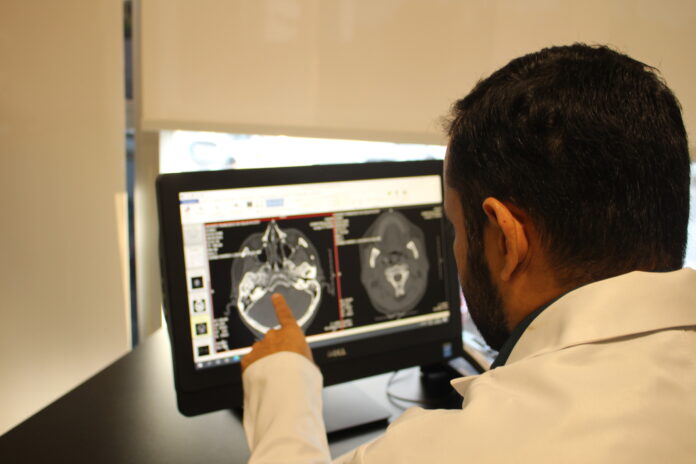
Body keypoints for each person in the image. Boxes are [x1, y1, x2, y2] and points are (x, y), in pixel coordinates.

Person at [240, 44, 696, 463]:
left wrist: (283, 376)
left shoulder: (459, 449)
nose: (455, 249)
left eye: (455, 228)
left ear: (507, 239)